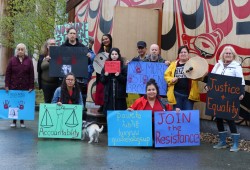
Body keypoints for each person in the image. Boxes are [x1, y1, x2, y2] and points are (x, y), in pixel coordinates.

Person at [205, 46, 245, 152]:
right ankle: (222, 142)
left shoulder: (236, 66)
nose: (228, 55)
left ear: (233, 55)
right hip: (217, 96)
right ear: (223, 54)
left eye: (230, 53)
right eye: (226, 53)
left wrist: (241, 92)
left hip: (230, 97)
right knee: (218, 118)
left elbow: (241, 81)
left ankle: (235, 143)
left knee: (230, 118)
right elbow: (212, 79)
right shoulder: (218, 65)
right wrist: (208, 86)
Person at [5, 43, 34, 128]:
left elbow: (31, 74)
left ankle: (22, 121)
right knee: (14, 104)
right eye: (19, 49)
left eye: (22, 49)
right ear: (16, 50)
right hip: (14, 86)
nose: (20, 51)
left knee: (22, 104)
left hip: (25, 87)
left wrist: (31, 86)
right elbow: (8, 73)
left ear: (25, 51)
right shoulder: (12, 60)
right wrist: (7, 85)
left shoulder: (29, 61)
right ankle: (14, 121)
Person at [164, 45, 200, 111]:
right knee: (177, 116)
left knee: (187, 116)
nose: (183, 54)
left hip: (189, 96)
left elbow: (199, 76)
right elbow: (166, 75)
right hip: (176, 94)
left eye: (185, 52)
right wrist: (172, 79)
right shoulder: (173, 64)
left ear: (188, 54)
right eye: (181, 52)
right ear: (178, 54)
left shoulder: (193, 65)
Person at [61, 27, 89, 110]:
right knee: (66, 97)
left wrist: (89, 57)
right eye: (71, 33)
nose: (72, 35)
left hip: (79, 78)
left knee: (78, 98)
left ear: (76, 35)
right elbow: (58, 62)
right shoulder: (62, 48)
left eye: (74, 33)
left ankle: (80, 118)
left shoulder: (83, 48)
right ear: (67, 35)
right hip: (66, 77)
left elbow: (87, 63)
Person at [100, 48, 127, 116]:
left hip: (120, 95)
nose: (114, 56)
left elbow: (126, 80)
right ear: (110, 55)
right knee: (110, 114)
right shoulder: (106, 66)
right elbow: (102, 81)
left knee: (120, 113)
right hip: (109, 94)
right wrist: (106, 76)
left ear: (118, 55)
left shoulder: (123, 66)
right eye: (112, 54)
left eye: (116, 54)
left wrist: (119, 76)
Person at [37, 38, 59, 103]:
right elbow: (39, 69)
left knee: (55, 101)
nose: (53, 45)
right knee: (47, 101)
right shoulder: (42, 56)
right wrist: (45, 60)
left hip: (56, 83)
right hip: (45, 84)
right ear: (47, 46)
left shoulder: (59, 55)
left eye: (54, 44)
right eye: (51, 44)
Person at [95, 34, 113, 113]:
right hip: (101, 75)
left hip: (111, 74)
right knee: (101, 90)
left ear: (110, 39)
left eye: (106, 39)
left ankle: (107, 106)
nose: (105, 40)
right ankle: (102, 105)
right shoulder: (100, 51)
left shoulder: (113, 50)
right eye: (103, 39)